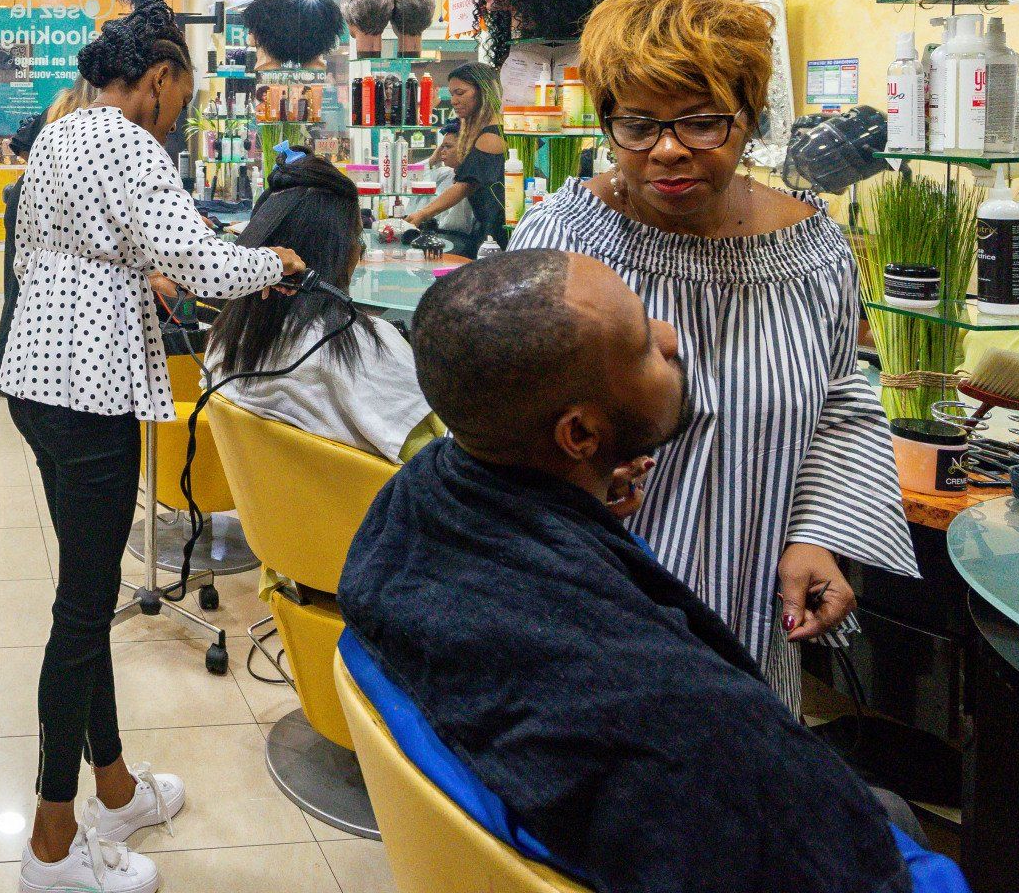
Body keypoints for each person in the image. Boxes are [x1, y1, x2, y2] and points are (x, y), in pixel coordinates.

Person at [338, 249, 966, 893]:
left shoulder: (417, 500)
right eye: (642, 345)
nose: (671, 338)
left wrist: (578, 504)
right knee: (893, 818)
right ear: (580, 435)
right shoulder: (684, 720)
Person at [510, 0, 916, 711]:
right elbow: (503, 417)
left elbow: (839, 407)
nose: (667, 150)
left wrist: (818, 536)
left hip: (750, 600)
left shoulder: (812, 251)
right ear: (606, 122)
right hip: (592, 599)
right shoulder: (562, 241)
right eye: (638, 125)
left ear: (750, 117)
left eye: (701, 123)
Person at [0, 7, 304, 893]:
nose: (178, 117)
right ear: (160, 78)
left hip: (36, 382)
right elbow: (206, 265)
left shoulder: (58, 135)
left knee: (86, 595)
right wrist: (277, 263)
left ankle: (116, 788)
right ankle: (51, 843)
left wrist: (135, 271)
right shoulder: (133, 145)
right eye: (183, 99)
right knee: (80, 616)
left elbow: (48, 256)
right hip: (89, 393)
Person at [206, 156, 435, 463]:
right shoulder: (364, 347)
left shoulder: (224, 339)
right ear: (337, 252)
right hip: (358, 495)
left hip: (262, 495)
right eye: (358, 240)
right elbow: (439, 461)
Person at [0, 81, 95, 389]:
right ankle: (20, 370)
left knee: (18, 288)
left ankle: (7, 368)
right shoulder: (96, 120)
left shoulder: (55, 110)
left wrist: (42, 169)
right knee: (39, 290)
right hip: (50, 205)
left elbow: (19, 144)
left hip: (29, 198)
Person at [401, 62, 506, 256]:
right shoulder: (503, 127)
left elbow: (465, 186)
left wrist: (423, 214)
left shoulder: (492, 136)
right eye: (452, 94)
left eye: (460, 93)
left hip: (497, 234)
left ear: (483, 91)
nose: (454, 101)